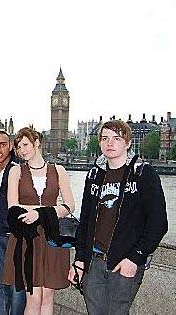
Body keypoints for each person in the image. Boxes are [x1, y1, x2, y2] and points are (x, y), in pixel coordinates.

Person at [68, 120, 168, 315]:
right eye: (105, 138)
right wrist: (80, 259)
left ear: (128, 143)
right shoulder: (94, 175)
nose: (110, 143)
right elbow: (86, 221)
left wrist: (135, 258)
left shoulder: (143, 174)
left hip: (124, 262)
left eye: (116, 138)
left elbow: (158, 223)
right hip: (94, 262)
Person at [2, 127, 75, 315]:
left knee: (48, 296)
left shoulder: (58, 170)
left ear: (37, 143)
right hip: (28, 238)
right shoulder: (16, 171)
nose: (21, 150)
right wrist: (46, 212)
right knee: (33, 297)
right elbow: (13, 207)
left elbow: (69, 206)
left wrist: (40, 214)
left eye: (25, 144)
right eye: (18, 147)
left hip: (52, 239)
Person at [0, 129, 26, 315]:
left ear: (10, 146)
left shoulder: (21, 169)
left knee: (17, 286)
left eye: (3, 144)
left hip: (16, 235)